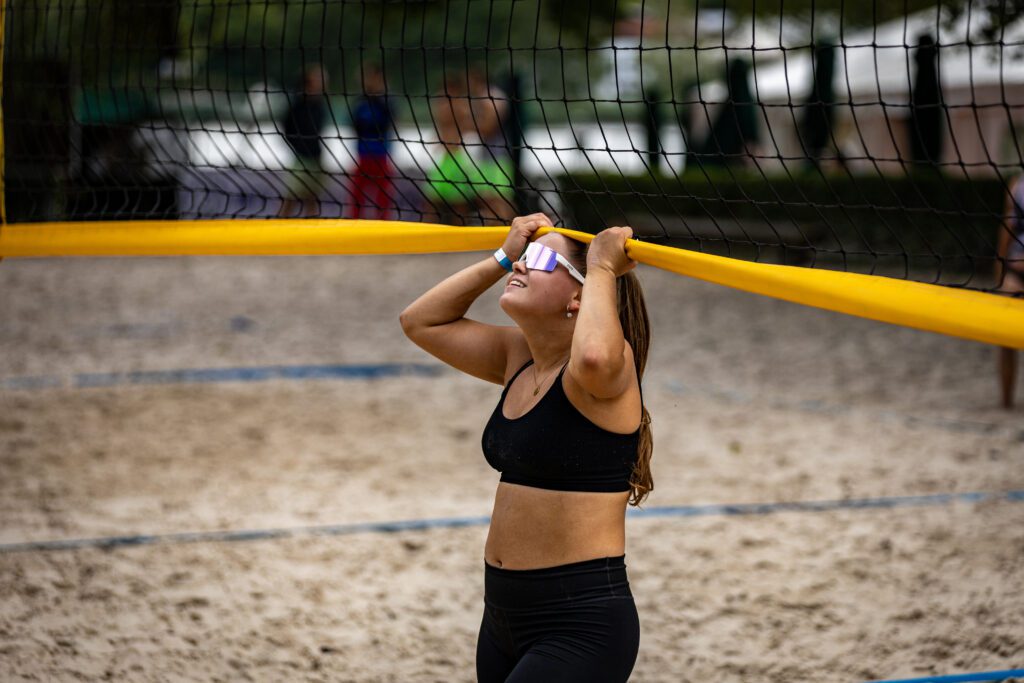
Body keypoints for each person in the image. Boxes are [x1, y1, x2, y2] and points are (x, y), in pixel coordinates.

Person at [400, 213, 653, 681]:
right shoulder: (520, 355)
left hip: (581, 622)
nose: (523, 265)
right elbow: (419, 321)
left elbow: (594, 353)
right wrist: (503, 255)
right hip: (501, 615)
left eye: (538, 259)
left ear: (578, 296)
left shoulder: (606, 369)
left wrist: (601, 268)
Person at [280, 64, 329, 218]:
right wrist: (298, 146)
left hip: (316, 156)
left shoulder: (319, 105)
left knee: (312, 197)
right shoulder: (297, 105)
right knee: (292, 195)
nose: (319, 84)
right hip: (301, 158)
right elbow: (287, 129)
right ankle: (279, 227)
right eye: (315, 80)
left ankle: (313, 234)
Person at [348, 63, 393, 219]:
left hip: (381, 157)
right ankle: (354, 230)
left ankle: (384, 230)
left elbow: (387, 123)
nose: (368, 81)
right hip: (362, 156)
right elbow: (355, 126)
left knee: (383, 200)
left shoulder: (386, 101)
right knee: (356, 198)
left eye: (371, 77)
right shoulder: (360, 102)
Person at [996, 174, 1024, 408]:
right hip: (1016, 271)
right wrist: (999, 267)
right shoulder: (1018, 184)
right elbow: (1007, 228)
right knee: (1005, 335)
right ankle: (1006, 402)